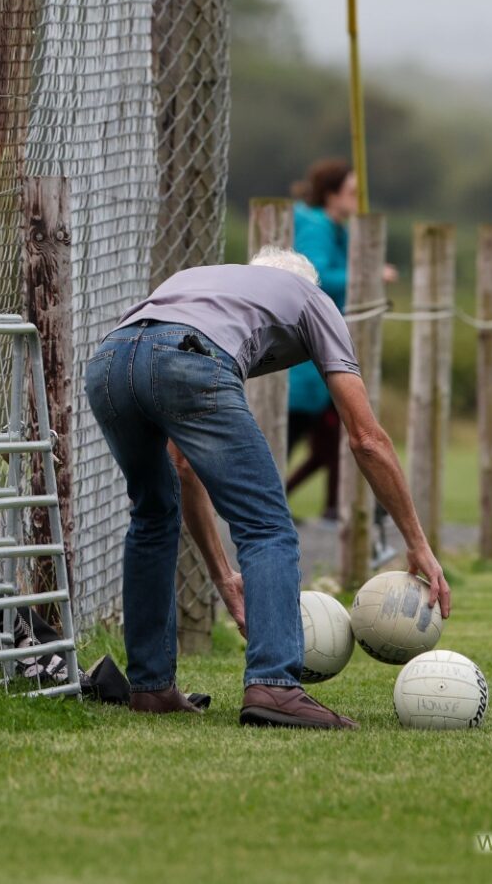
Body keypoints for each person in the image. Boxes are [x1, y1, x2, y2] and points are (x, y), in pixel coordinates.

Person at [85, 246, 449, 729]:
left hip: (108, 363)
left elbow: (184, 467)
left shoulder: (204, 281)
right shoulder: (313, 300)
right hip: (187, 358)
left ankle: (151, 688)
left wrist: (224, 578)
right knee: (267, 526)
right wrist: (417, 543)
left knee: (152, 515)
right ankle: (275, 685)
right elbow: (365, 438)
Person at [286, 159, 357, 522]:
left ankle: (335, 506)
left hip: (318, 351)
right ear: (331, 194)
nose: (358, 200)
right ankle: (275, 503)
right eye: (352, 192)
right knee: (292, 431)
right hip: (307, 353)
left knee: (329, 438)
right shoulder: (316, 227)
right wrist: (365, 274)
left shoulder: (331, 227)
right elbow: (313, 276)